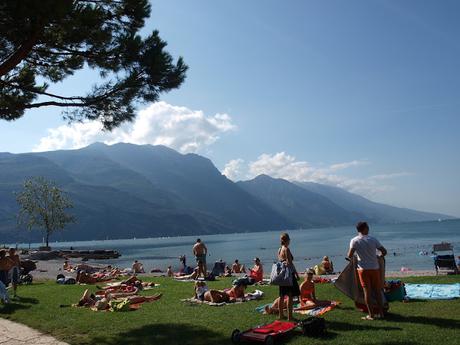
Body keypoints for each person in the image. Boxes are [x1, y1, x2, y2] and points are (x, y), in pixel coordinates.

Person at [347, 221, 387, 320]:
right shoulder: (373, 239)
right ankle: (381, 313)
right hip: (375, 268)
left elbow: (349, 255)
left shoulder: (354, 240)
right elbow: (384, 251)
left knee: (367, 292)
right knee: (377, 291)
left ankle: (371, 315)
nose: (369, 229)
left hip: (363, 269)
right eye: (367, 227)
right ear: (364, 229)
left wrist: (358, 257)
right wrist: (379, 257)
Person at [277, 232, 300, 321]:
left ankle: (281, 315)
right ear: (288, 240)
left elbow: (280, 262)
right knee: (290, 296)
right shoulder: (286, 249)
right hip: (288, 275)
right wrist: (296, 273)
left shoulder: (279, 250)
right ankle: (290, 316)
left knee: (281, 296)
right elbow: (290, 263)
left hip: (282, 275)